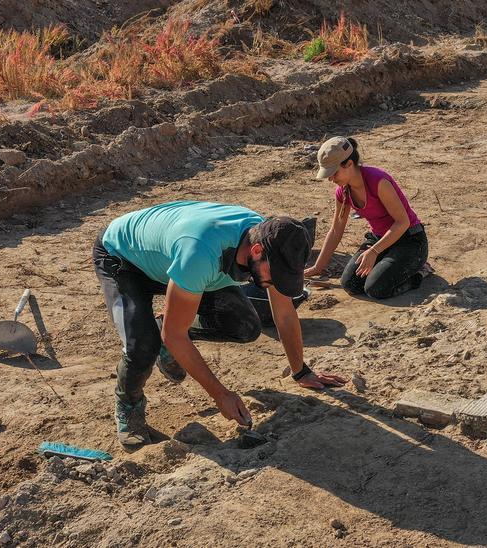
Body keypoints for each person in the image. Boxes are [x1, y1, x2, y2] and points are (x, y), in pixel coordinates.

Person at [94, 201, 347, 446]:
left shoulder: (271, 242)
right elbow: (175, 335)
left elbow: (284, 312)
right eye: (277, 275)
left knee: (245, 326)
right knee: (143, 345)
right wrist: (221, 395)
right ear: (256, 252)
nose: (277, 281)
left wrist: (300, 371)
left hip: (176, 261)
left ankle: (164, 324)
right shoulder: (200, 254)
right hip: (123, 259)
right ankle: (128, 408)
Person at [304, 137, 430, 299]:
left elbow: (403, 222)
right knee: (350, 284)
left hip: (410, 240)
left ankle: (418, 273)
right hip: (380, 240)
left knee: (376, 289)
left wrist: (374, 251)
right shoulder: (343, 192)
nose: (331, 179)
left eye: (333, 173)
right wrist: (318, 267)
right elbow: (336, 229)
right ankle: (387, 264)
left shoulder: (378, 181)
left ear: (349, 164)